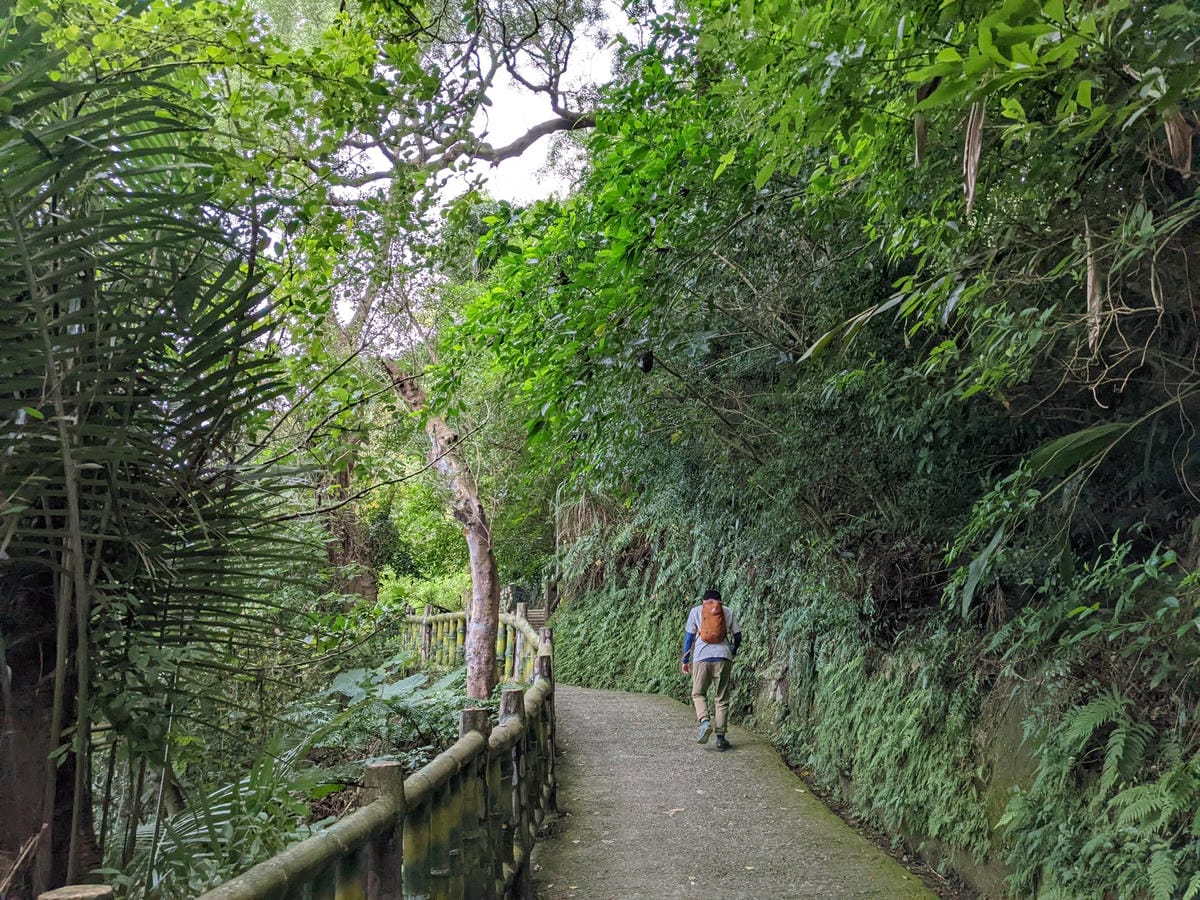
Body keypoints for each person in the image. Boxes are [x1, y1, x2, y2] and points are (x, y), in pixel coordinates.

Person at [680, 588, 742, 750]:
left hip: (701, 657)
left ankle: (705, 721)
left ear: (703, 601)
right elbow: (737, 636)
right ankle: (721, 739)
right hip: (723, 657)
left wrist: (685, 660)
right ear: (720, 601)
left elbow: (688, 638)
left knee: (698, 693)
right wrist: (733, 649)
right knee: (721, 698)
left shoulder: (696, 611)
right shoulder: (727, 612)